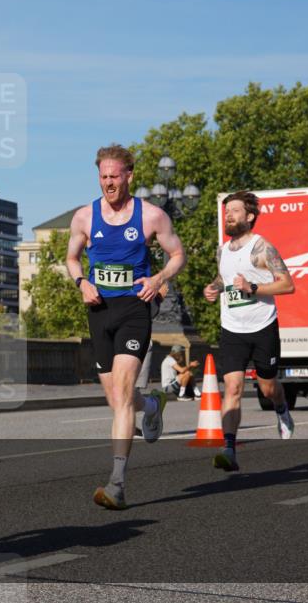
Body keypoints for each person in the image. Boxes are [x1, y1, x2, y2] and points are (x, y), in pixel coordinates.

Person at [66, 144, 185, 510]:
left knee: (121, 390)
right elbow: (71, 258)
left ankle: (116, 483)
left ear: (129, 175)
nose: (108, 183)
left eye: (114, 176)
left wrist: (159, 277)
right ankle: (151, 404)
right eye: (103, 177)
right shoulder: (85, 217)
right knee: (117, 400)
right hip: (99, 311)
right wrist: (81, 282)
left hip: (134, 308)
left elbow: (178, 253)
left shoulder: (151, 216)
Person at [203, 191, 296, 472]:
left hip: (262, 327)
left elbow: (287, 285)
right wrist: (214, 287)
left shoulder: (262, 248)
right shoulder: (222, 249)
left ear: (250, 216)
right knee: (232, 388)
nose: (228, 215)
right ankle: (229, 449)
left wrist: (254, 288)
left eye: (234, 211)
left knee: (268, 387)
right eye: (226, 211)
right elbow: (225, 277)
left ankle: (281, 410)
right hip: (232, 329)